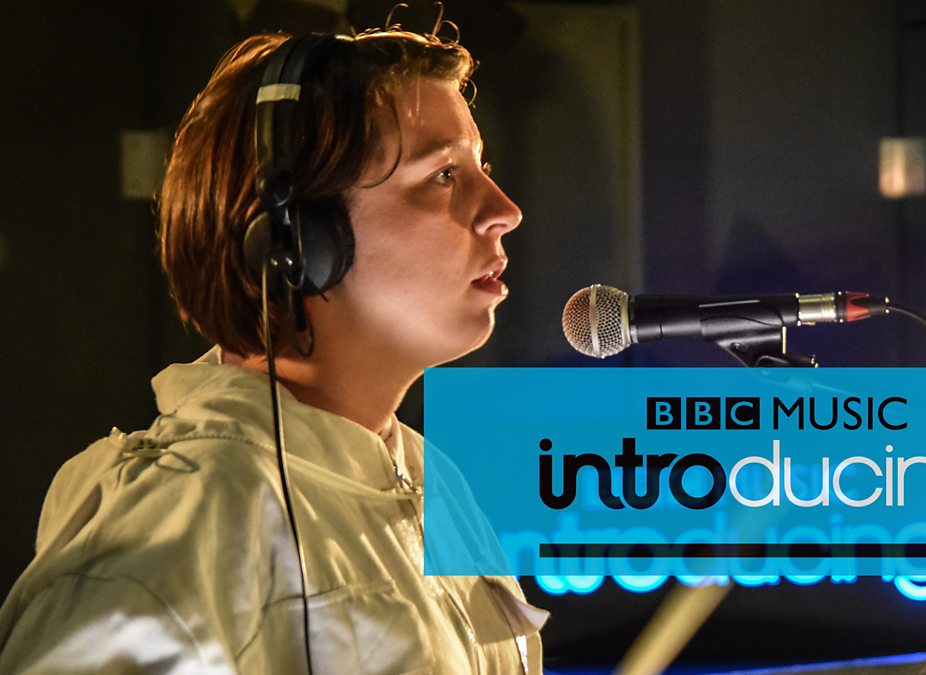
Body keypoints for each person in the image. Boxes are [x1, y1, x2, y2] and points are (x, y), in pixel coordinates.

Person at [0, 25, 545, 673]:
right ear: (299, 243)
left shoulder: (436, 485)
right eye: (444, 174)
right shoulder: (182, 530)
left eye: (483, 169)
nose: (503, 209)